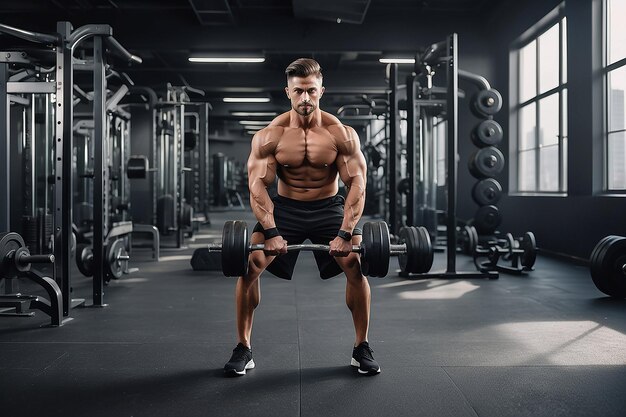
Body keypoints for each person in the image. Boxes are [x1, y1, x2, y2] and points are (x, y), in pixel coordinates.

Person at [224, 58, 379, 376]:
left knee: (356, 265)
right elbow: (257, 187)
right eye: (298, 92)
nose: (305, 98)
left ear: (322, 90)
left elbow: (357, 185)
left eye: (311, 91)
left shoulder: (341, 134)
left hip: (329, 208)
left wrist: (345, 233)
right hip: (286, 208)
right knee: (249, 265)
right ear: (288, 92)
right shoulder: (270, 136)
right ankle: (243, 347)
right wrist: (271, 231)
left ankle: (361, 347)